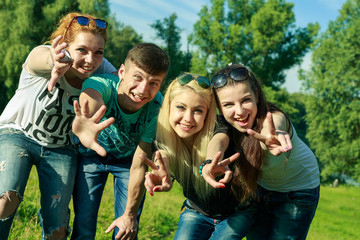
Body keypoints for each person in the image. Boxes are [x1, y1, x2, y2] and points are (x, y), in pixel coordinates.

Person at [0, 12, 115, 240]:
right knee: (6, 199)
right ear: (64, 45)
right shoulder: (46, 54)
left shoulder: (102, 69)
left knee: (57, 230)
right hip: (18, 133)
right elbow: (38, 58)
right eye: (82, 50)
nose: (90, 60)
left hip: (61, 148)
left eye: (98, 52)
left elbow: (124, 86)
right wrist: (54, 60)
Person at [203, 63, 320, 240]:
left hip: (298, 190)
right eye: (228, 104)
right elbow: (217, 141)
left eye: (245, 100)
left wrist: (273, 136)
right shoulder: (226, 124)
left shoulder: (272, 117)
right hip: (262, 189)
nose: (240, 111)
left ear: (256, 96)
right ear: (219, 107)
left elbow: (273, 127)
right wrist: (210, 161)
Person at [141, 72, 258, 240]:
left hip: (238, 212)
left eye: (198, 110)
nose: (188, 119)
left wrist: (210, 162)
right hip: (196, 210)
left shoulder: (221, 126)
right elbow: (163, 156)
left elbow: (218, 142)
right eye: (181, 107)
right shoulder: (161, 139)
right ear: (168, 107)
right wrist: (161, 173)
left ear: (207, 113)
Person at [70, 43, 169, 240]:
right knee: (84, 224)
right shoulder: (104, 83)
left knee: (127, 228)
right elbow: (91, 95)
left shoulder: (156, 107)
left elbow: (140, 162)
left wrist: (130, 215)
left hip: (128, 162)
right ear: (122, 72)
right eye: (138, 77)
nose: (143, 90)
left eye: (154, 83)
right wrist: (89, 115)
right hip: (93, 157)